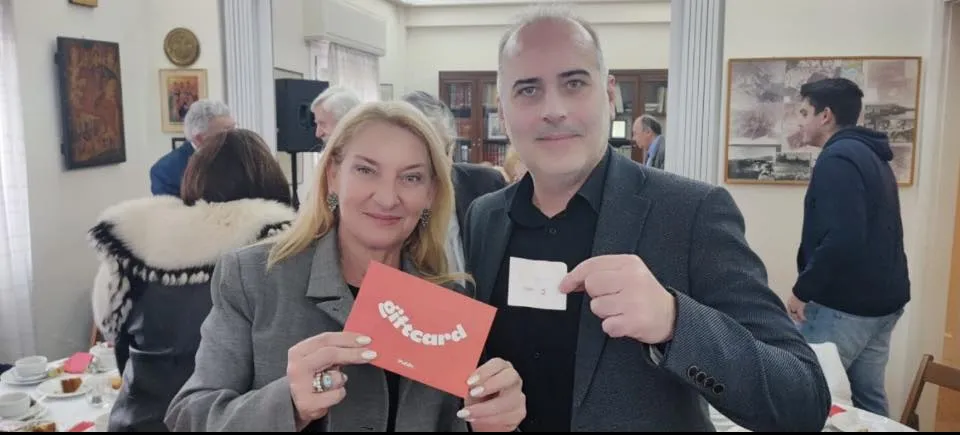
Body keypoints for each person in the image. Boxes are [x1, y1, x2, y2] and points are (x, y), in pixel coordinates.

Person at [463, 6, 830, 432]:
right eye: (528, 89)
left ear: (609, 94)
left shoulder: (691, 212)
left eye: (574, 83)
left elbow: (803, 400)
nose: (554, 109)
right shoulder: (484, 217)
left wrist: (675, 321)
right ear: (503, 109)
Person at [165, 101, 526, 432]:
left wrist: (495, 422)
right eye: (366, 170)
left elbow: (457, 422)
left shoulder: (450, 302)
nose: (387, 197)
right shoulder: (254, 278)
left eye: (411, 177)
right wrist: (289, 403)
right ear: (333, 175)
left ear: (431, 192)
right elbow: (189, 417)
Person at [90, 129, 295, 432]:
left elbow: (112, 330)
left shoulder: (135, 246)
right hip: (230, 420)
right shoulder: (281, 251)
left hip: (141, 419)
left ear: (193, 177)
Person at [786, 77, 910, 417]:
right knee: (868, 403)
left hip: (845, 306)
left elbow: (843, 238)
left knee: (808, 397)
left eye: (804, 112)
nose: (799, 121)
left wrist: (802, 290)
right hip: (882, 302)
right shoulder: (871, 155)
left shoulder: (838, 158)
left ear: (825, 116)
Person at [400, 90, 508, 275]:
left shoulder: (487, 185)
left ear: (451, 149)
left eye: (432, 153)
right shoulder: (389, 205)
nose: (422, 166)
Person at [150, 100, 235, 196]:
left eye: (234, 128)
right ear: (199, 138)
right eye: (227, 131)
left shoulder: (240, 155)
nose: (235, 135)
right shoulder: (166, 171)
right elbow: (172, 206)